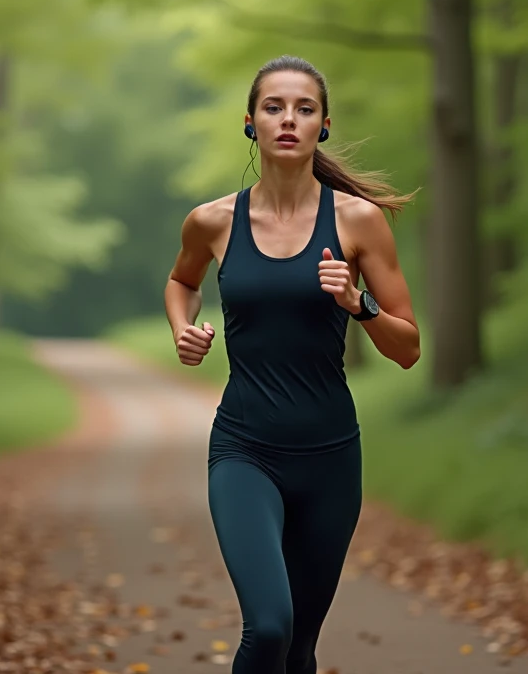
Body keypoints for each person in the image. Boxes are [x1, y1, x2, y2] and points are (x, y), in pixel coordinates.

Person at [163, 55, 422, 673]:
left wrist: (358, 305)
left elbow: (408, 347)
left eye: (304, 109)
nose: (288, 119)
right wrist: (182, 329)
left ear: (323, 126)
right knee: (271, 626)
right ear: (250, 123)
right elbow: (181, 282)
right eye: (273, 107)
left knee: (301, 645)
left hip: (331, 456)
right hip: (244, 449)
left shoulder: (358, 222)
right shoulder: (213, 221)